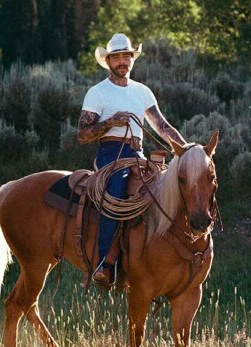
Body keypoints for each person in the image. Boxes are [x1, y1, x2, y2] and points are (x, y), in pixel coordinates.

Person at [77, 33, 189, 286]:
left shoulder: (142, 91)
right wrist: (111, 122)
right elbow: (83, 135)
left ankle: (159, 260)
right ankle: (105, 261)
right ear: (108, 62)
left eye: (126, 56)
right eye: (115, 58)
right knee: (117, 190)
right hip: (110, 154)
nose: (122, 62)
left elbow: (162, 126)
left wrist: (186, 150)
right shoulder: (98, 93)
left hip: (137, 154)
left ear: (132, 59)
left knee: (167, 188)